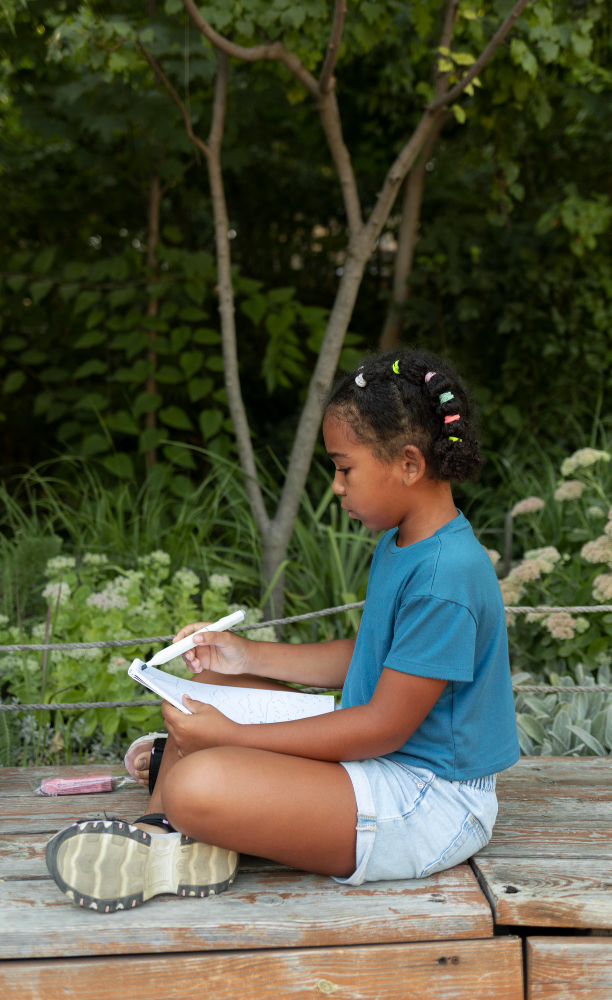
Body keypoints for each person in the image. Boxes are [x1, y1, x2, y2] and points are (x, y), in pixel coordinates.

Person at [46, 348, 520, 912]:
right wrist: (244, 658)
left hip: (428, 802)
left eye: (345, 468)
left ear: (410, 465)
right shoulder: (406, 543)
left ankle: (175, 817)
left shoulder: (446, 575)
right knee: (208, 695)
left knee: (200, 780)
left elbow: (381, 727)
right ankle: (166, 830)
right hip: (383, 764)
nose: (337, 487)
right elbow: (368, 658)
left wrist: (231, 737)